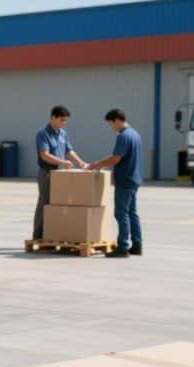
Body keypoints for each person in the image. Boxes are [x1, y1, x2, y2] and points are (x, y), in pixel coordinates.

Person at [87, 108, 143, 258]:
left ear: (117, 120)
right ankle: (137, 245)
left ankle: (123, 247)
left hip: (125, 179)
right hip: (135, 178)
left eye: (111, 124)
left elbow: (116, 158)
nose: (111, 128)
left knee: (121, 213)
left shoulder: (123, 136)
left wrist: (96, 165)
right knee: (132, 213)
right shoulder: (135, 134)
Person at [33, 106, 87, 240]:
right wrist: (62, 162)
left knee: (60, 203)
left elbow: (69, 151)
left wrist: (81, 163)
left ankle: (54, 233)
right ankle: (38, 235)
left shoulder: (63, 133)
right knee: (45, 202)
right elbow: (44, 155)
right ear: (53, 118)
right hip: (47, 173)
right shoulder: (43, 134)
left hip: (61, 173)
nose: (64, 123)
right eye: (62, 120)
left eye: (66, 120)